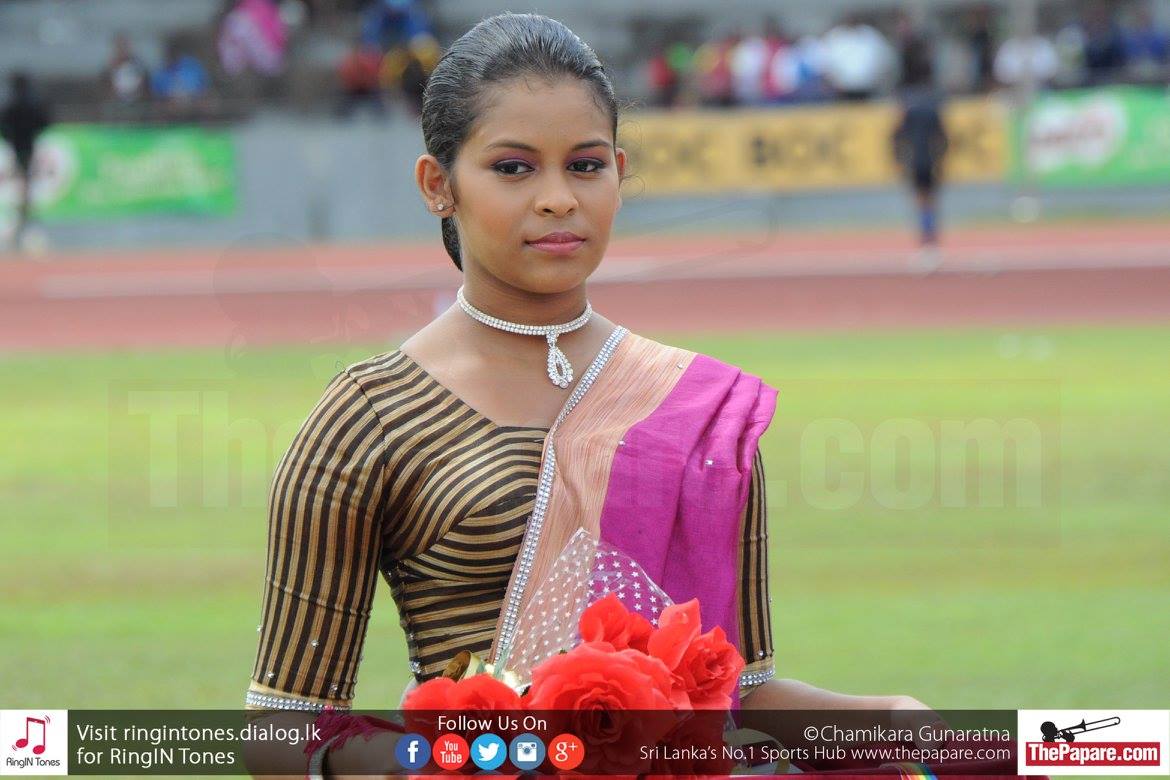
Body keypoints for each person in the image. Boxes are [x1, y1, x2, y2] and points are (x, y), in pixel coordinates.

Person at [242, 13, 941, 777]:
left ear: (619, 173)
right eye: (514, 168)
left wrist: (889, 722)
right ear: (439, 185)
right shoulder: (370, 416)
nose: (557, 199)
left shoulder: (697, 411)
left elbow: (741, 697)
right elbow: (280, 729)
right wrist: (451, 760)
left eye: (585, 165)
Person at [892, 39, 949, 269]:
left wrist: (898, 158)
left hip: (916, 158)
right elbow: (943, 136)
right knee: (929, 202)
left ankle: (927, 242)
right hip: (930, 158)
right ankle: (930, 240)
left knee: (922, 201)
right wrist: (942, 158)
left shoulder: (908, 104)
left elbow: (897, 136)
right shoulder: (933, 102)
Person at [1, 73, 52, 253]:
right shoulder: (30, 103)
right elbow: (44, 121)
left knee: (24, 178)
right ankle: (23, 210)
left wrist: (11, 138)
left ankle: (23, 211)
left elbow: (4, 123)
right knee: (24, 179)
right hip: (26, 144)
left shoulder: (14, 103)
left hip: (19, 145)